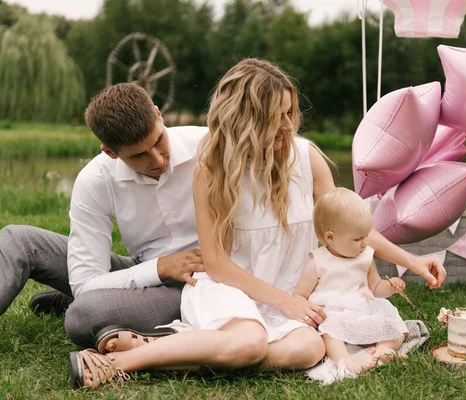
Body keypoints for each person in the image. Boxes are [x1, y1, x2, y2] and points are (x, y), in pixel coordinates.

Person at [68, 58, 446, 389]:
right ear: (247, 119)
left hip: (289, 292)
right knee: (249, 341)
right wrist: (285, 303)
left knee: (308, 348)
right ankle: (116, 364)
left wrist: (412, 261)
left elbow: (353, 226)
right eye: (275, 117)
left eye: (289, 112)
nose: (287, 126)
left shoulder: (306, 157)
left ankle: (171, 348)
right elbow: (215, 263)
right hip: (229, 287)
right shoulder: (211, 172)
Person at [0, 83, 207, 348]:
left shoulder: (209, 146)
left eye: (158, 141)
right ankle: (116, 301)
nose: (157, 160)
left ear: (158, 115)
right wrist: (160, 267)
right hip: (146, 269)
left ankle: (113, 303)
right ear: (110, 152)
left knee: (84, 316)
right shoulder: (96, 180)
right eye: (139, 155)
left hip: (198, 283)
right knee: (19, 241)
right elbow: (86, 282)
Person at [294, 187, 409, 375]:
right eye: (358, 238)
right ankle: (347, 361)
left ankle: (382, 351)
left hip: (363, 307)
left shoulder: (366, 256)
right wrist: (310, 314)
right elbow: (300, 295)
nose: (365, 243)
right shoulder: (319, 262)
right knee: (330, 335)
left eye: (365, 236)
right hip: (333, 313)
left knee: (395, 327)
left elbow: (376, 287)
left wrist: (390, 286)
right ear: (330, 238)